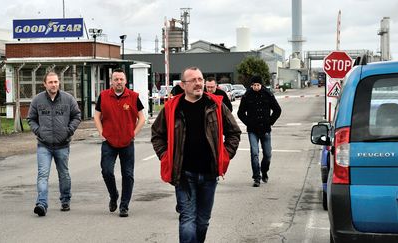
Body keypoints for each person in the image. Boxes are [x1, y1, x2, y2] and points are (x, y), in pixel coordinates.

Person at [151, 67, 241, 242]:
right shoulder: (172, 108)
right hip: (184, 174)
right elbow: (157, 135)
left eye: (200, 79)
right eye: (193, 80)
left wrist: (225, 155)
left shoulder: (215, 105)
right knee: (187, 219)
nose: (198, 83)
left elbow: (234, 132)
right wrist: (165, 156)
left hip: (209, 173)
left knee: (202, 222)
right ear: (184, 85)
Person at [27, 71, 81, 217]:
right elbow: (31, 119)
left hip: (62, 144)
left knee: (63, 174)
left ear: (59, 83)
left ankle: (65, 200)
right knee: (42, 175)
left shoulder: (68, 99)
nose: (54, 85)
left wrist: (68, 131)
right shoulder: (37, 100)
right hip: (44, 145)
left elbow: (77, 116)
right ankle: (42, 204)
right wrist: (39, 132)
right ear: (45, 84)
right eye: (50, 82)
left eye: (56, 82)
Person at [94, 68, 146, 217]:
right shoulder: (103, 96)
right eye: (116, 79)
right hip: (109, 141)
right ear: (111, 81)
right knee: (106, 171)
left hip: (127, 142)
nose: (119, 82)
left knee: (128, 175)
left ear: (125, 81)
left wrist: (133, 134)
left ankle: (124, 206)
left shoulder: (133, 97)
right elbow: (97, 116)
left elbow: (142, 118)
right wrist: (101, 133)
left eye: (121, 79)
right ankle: (113, 195)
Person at [237, 75, 281, 187]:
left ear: (261, 85)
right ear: (251, 85)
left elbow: (277, 110)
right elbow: (240, 113)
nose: (256, 87)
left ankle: (264, 171)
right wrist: (248, 122)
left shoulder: (268, 94)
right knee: (254, 153)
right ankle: (256, 177)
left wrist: (270, 122)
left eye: (258, 85)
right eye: (254, 85)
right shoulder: (247, 96)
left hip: (265, 129)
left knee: (267, 154)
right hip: (253, 130)